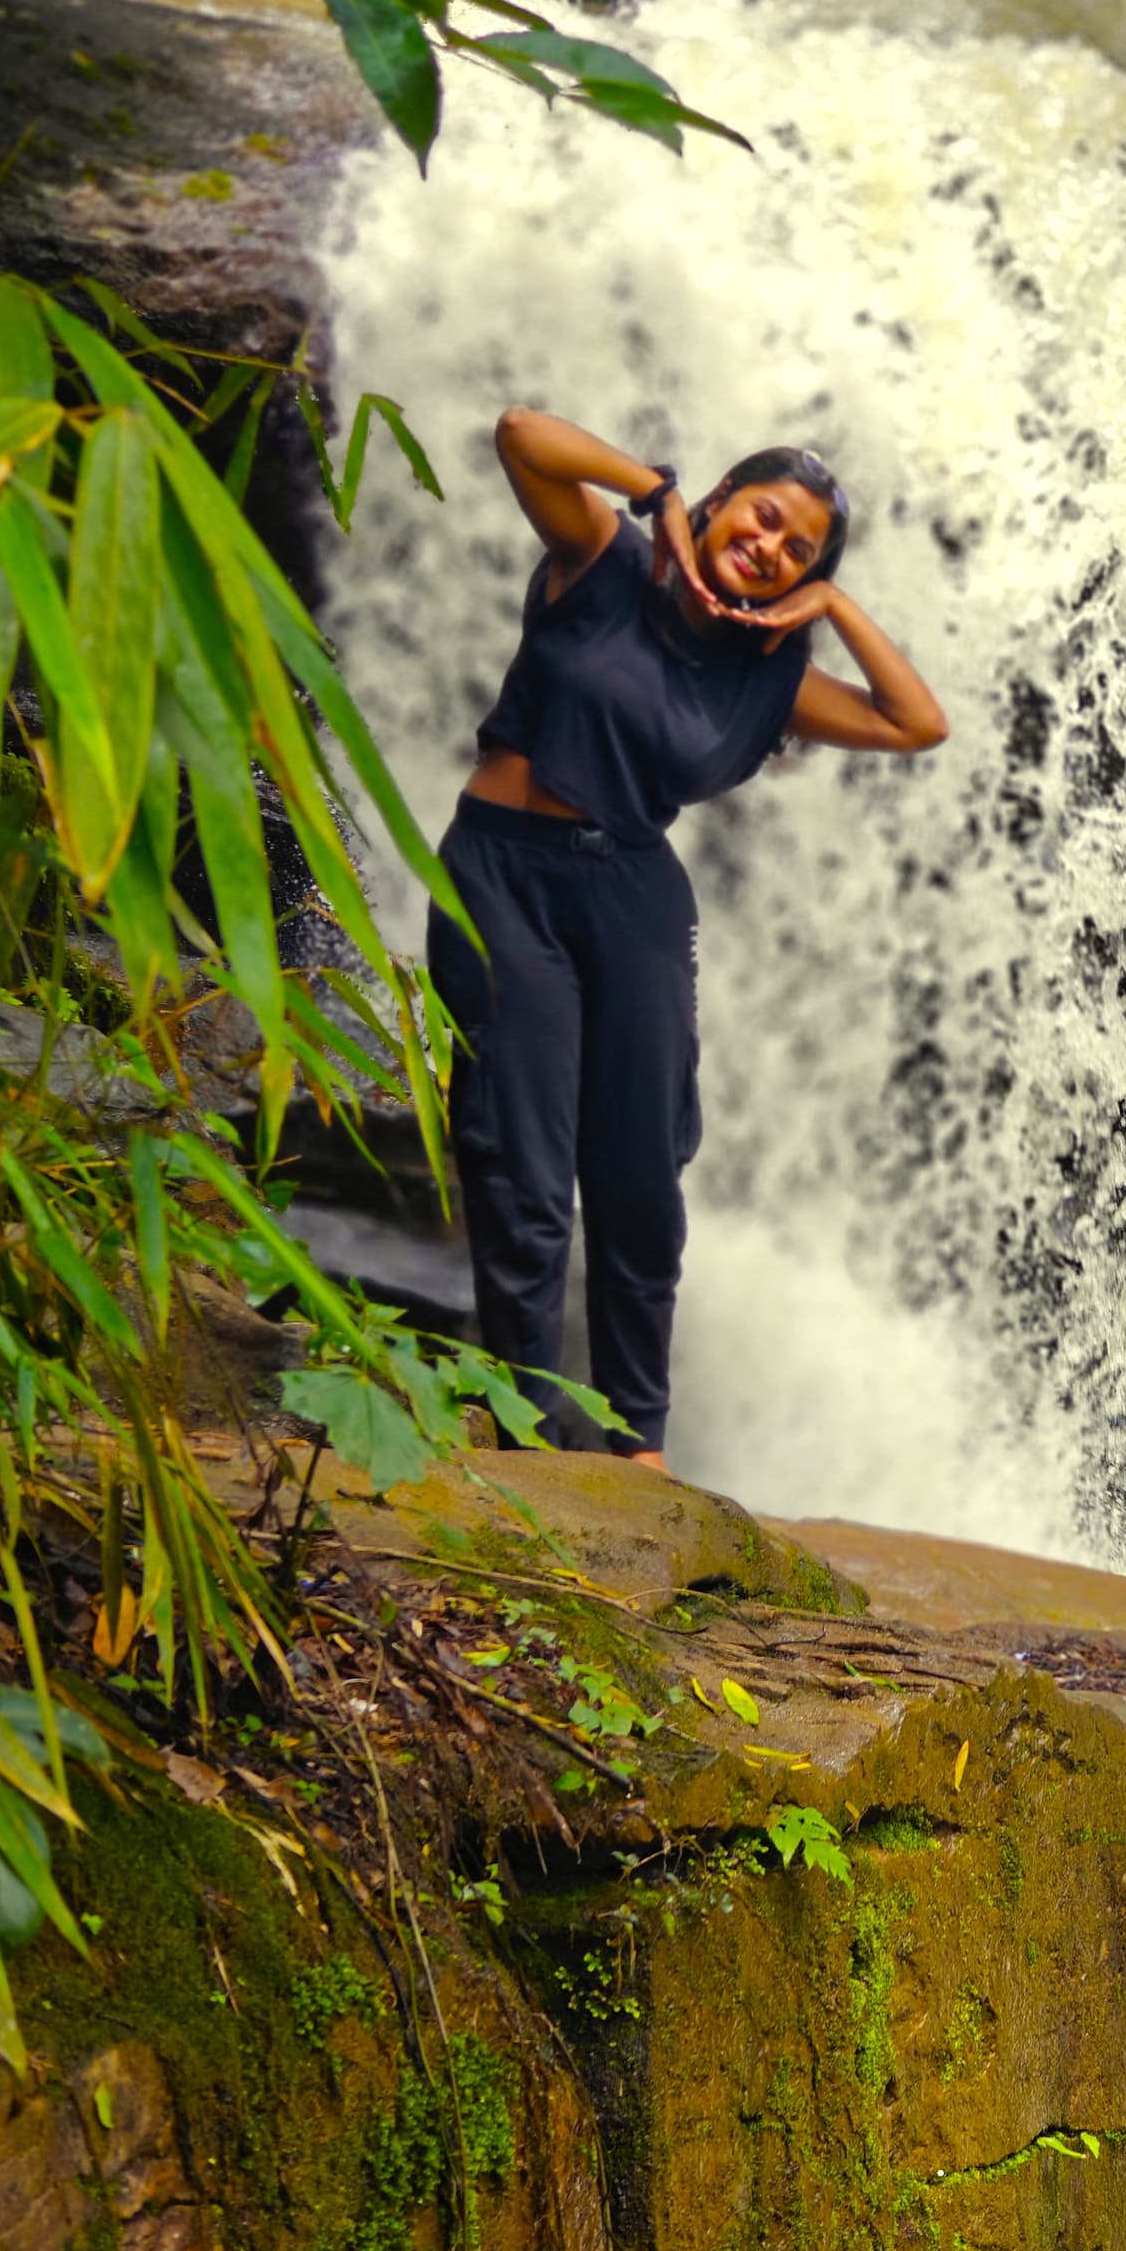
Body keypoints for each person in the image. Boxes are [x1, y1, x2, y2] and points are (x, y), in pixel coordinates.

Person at [426, 410, 948, 1472]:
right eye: (765, 518)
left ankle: (635, 1444)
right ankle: (518, 1429)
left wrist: (834, 603)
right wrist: (655, 493)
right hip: (502, 877)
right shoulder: (601, 557)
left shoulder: (772, 679)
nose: (772, 547)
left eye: (799, 548)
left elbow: (916, 721)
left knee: (638, 1177)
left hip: (634, 901)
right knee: (518, 1162)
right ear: (722, 504)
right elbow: (523, 432)